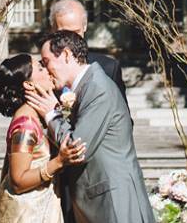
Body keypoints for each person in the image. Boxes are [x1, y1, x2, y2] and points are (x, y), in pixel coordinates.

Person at [26, 31, 154, 223]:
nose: (46, 68)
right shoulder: (86, 86)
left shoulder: (98, 88)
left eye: (46, 61)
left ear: (67, 55)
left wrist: (51, 114)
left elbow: (77, 148)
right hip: (99, 200)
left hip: (114, 202)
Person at [0, 53, 86, 223]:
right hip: (26, 214)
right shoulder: (25, 124)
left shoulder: (37, 116)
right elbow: (18, 181)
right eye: (41, 68)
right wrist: (59, 162)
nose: (48, 70)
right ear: (28, 84)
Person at [48, 0, 127, 107]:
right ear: (52, 30)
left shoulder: (108, 68)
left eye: (76, 32)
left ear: (84, 27)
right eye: (64, 34)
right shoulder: (43, 71)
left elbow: (122, 118)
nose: (71, 40)